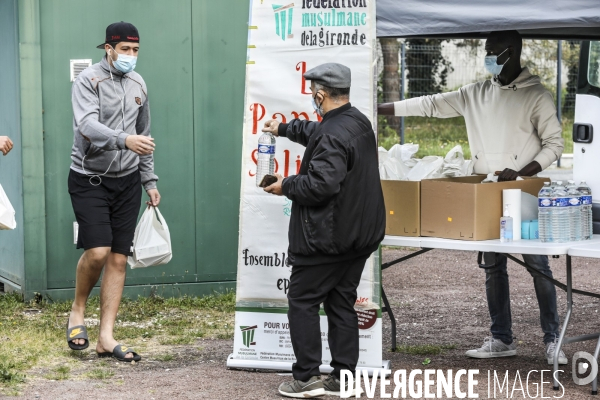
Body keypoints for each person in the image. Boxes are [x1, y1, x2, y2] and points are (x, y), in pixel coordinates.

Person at [379, 30, 566, 365]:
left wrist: (524, 170)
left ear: (513, 52)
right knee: (493, 267)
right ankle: (501, 338)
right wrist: (380, 107)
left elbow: (555, 144)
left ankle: (554, 339)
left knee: (538, 265)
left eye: (493, 51)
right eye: (485, 50)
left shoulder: (537, 95)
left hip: (522, 190)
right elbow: (431, 104)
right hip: (485, 187)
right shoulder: (475, 93)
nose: (487, 56)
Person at [262, 63, 385, 398]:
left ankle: (306, 379)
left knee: (302, 299)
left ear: (319, 94)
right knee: (341, 301)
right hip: (358, 237)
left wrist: (285, 184)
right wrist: (284, 127)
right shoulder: (356, 120)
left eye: (313, 95)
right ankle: (343, 378)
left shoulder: (332, 132)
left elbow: (320, 185)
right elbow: (321, 133)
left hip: (328, 238)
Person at [66, 22, 160, 362]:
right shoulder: (87, 80)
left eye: (135, 51)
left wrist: (149, 181)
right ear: (109, 49)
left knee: (119, 258)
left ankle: (106, 337)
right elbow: (87, 125)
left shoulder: (138, 83)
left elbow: (144, 135)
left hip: (127, 181)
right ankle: (77, 310)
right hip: (89, 178)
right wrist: (123, 140)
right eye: (125, 50)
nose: (131, 57)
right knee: (98, 252)